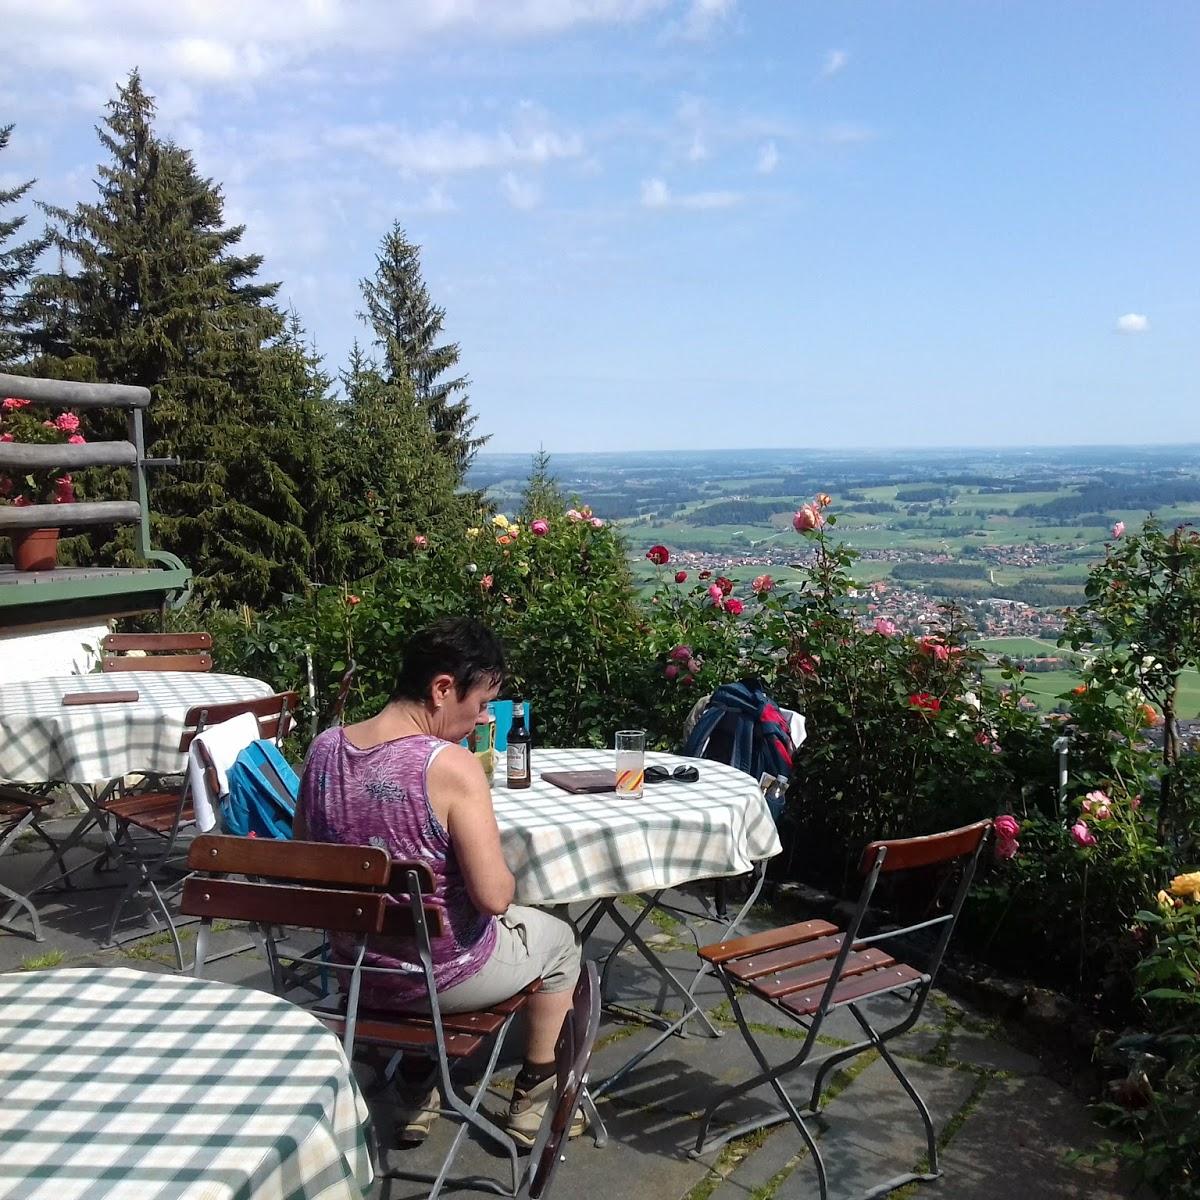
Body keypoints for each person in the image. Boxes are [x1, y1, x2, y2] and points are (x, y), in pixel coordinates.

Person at [297, 616, 582, 1146]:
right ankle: (534, 1091)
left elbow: (308, 857)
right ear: (442, 689)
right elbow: (494, 897)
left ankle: (413, 1080)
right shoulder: (449, 765)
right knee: (561, 940)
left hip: (353, 969)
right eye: (478, 707)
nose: (478, 722)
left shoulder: (324, 750)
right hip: (440, 977)